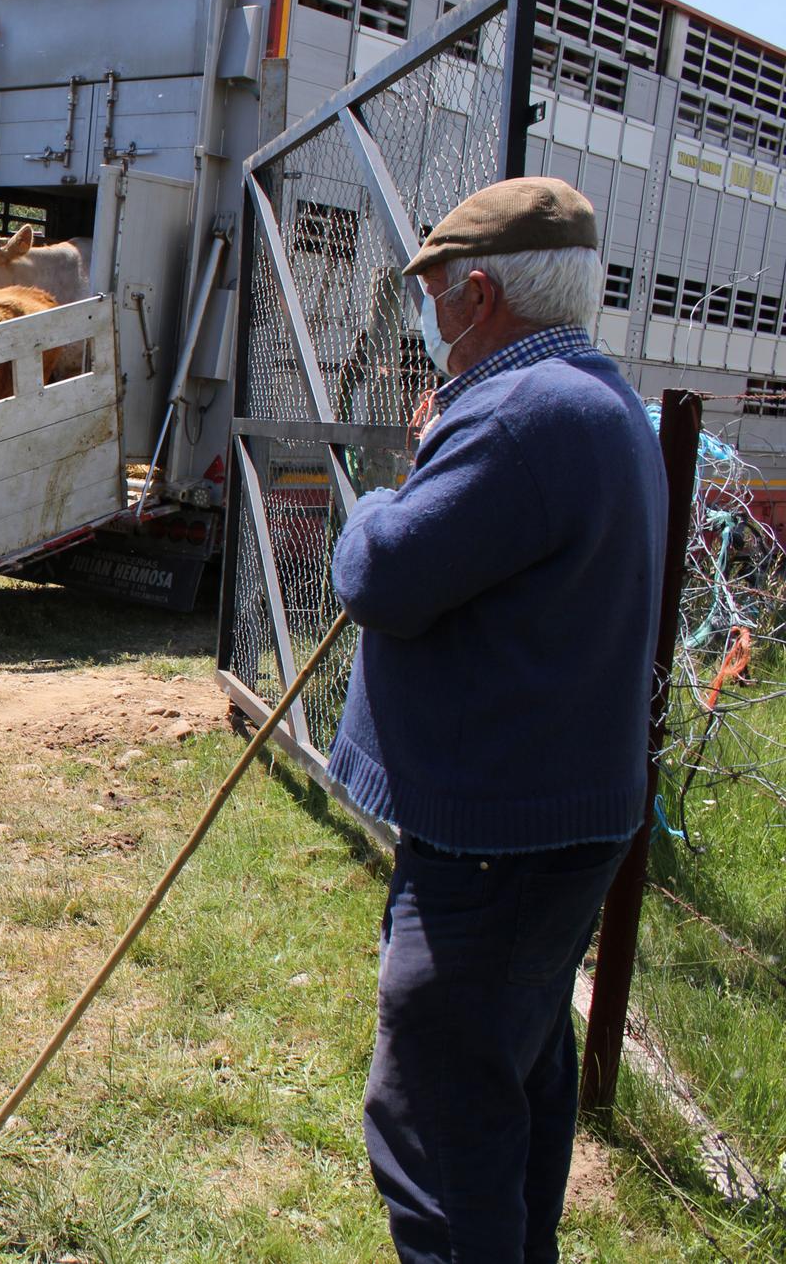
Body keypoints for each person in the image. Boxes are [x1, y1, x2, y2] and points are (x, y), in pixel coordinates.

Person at [328, 177, 666, 1263]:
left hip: (494, 845)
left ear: (479, 292)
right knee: (510, 1082)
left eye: (433, 297)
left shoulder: (521, 416)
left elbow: (378, 570)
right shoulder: (589, 397)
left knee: (436, 1127)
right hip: (550, 820)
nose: (429, 322)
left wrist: (386, 487)